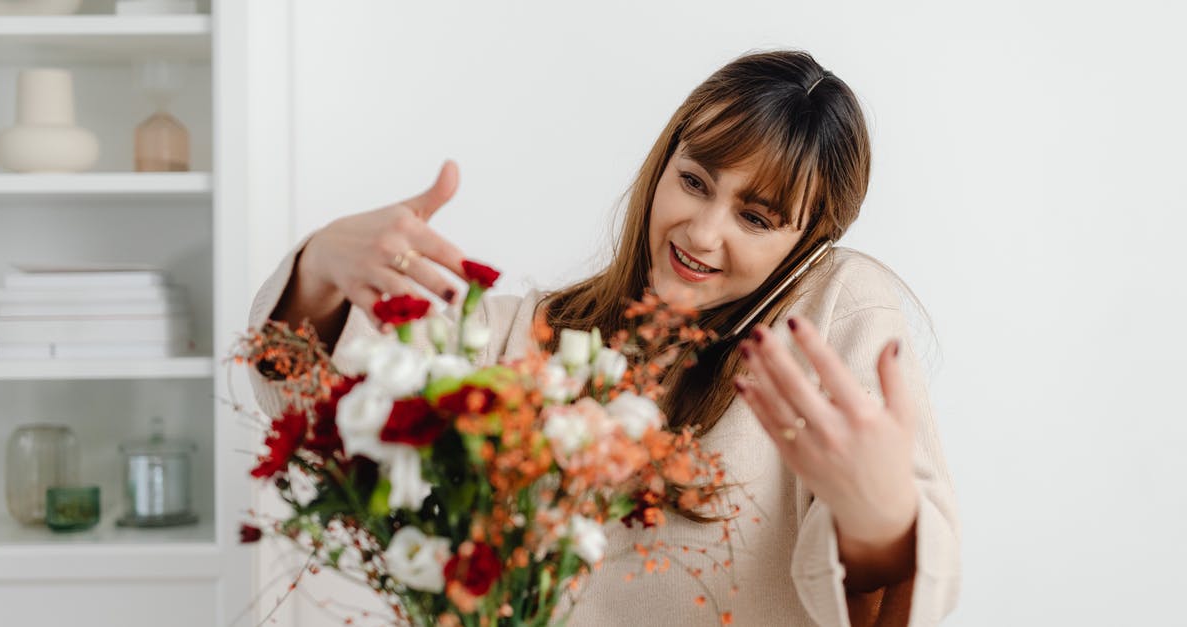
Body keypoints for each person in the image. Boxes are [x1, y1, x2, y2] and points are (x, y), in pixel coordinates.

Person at [248, 50, 959, 626]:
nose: (703, 232)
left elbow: (901, 574)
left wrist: (882, 521)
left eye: (758, 216)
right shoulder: (522, 340)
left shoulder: (833, 311)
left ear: (809, 242)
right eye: (694, 180)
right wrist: (318, 273)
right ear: (662, 165)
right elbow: (322, 409)